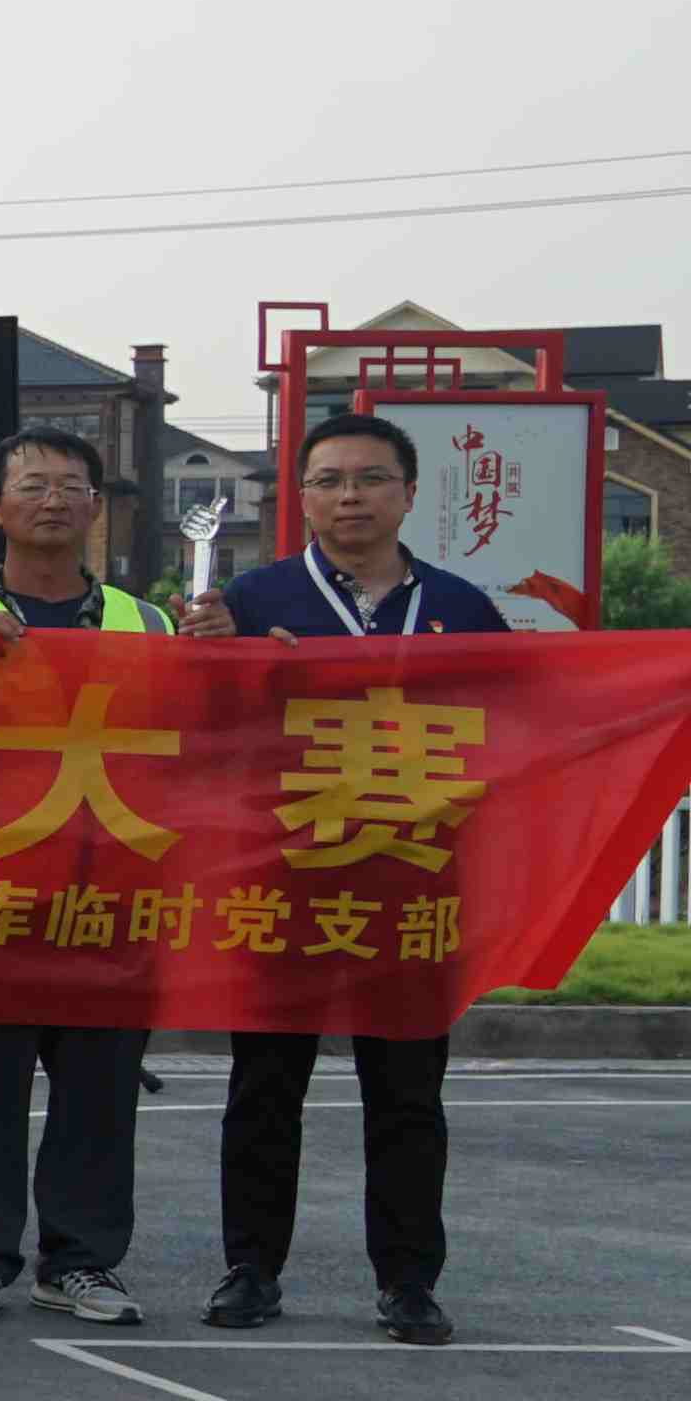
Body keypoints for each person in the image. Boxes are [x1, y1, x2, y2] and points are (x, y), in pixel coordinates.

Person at [186, 410, 501, 1343]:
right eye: (328, 481)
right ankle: (250, 1268)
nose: (349, 496)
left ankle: (408, 1281)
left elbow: (513, 730)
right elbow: (202, 730)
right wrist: (214, 658)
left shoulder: (463, 609)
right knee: (264, 1084)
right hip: (283, 874)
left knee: (406, 1094)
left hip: (412, 880)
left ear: (409, 493)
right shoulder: (252, 599)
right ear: (302, 497)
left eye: (370, 479)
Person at [0, 426, 159, 1327]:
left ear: (97, 505)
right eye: (32, 485)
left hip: (113, 886)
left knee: (99, 1087)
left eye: (71, 485)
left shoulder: (151, 623)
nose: (53, 499)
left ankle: (81, 1263)